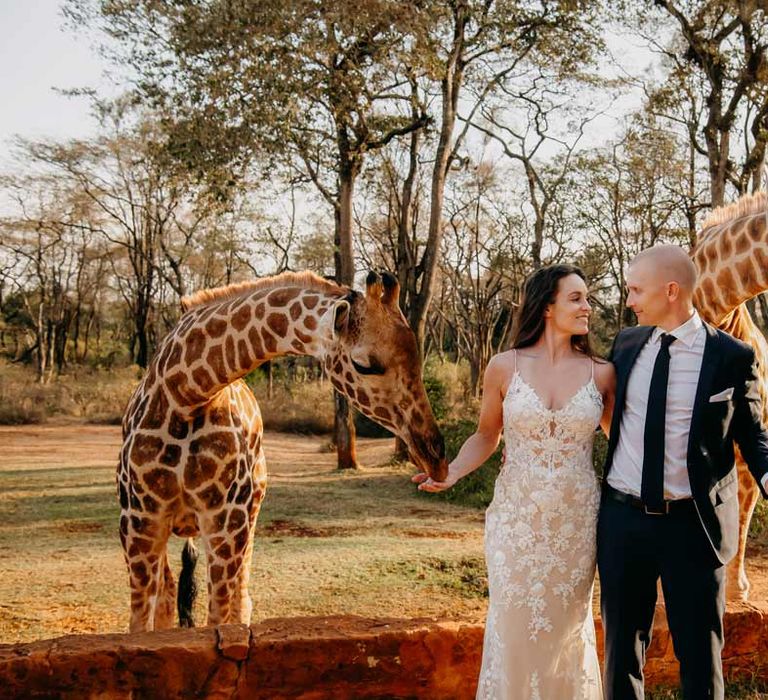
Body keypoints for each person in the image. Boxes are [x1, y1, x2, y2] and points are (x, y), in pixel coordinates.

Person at [414, 264, 615, 700]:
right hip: (515, 523)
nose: (587, 307)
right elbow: (487, 435)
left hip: (575, 526)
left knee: (566, 629)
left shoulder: (602, 373)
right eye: (576, 298)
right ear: (547, 306)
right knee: (514, 625)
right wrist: (450, 472)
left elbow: (624, 443)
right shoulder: (503, 367)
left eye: (587, 298)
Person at [598, 244, 768, 699]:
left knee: (699, 656)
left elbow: (753, 434)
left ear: (671, 291)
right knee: (621, 654)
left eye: (636, 290)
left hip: (695, 526)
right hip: (623, 521)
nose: (629, 300)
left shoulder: (732, 356)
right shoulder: (626, 344)